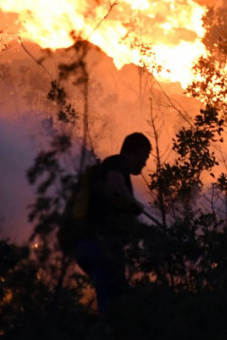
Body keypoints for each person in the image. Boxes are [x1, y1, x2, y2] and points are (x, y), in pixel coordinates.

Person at [60, 132, 152, 318]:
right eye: (146, 157)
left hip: (85, 246)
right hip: (100, 244)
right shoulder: (117, 164)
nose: (145, 163)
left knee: (116, 294)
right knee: (115, 303)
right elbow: (115, 183)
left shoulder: (105, 169)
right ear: (141, 151)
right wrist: (132, 204)